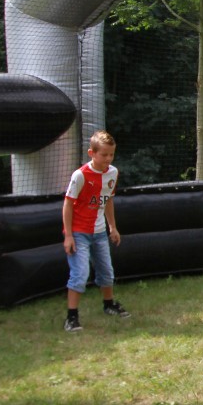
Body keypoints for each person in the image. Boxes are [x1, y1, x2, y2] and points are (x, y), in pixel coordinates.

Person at [62, 130, 130, 332]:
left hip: (99, 233)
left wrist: (112, 227)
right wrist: (68, 235)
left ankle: (109, 305)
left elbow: (108, 200)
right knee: (80, 274)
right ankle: (71, 317)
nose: (108, 159)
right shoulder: (80, 175)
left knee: (107, 272)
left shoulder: (112, 173)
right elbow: (68, 204)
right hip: (79, 233)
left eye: (111, 154)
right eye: (104, 155)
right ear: (91, 153)